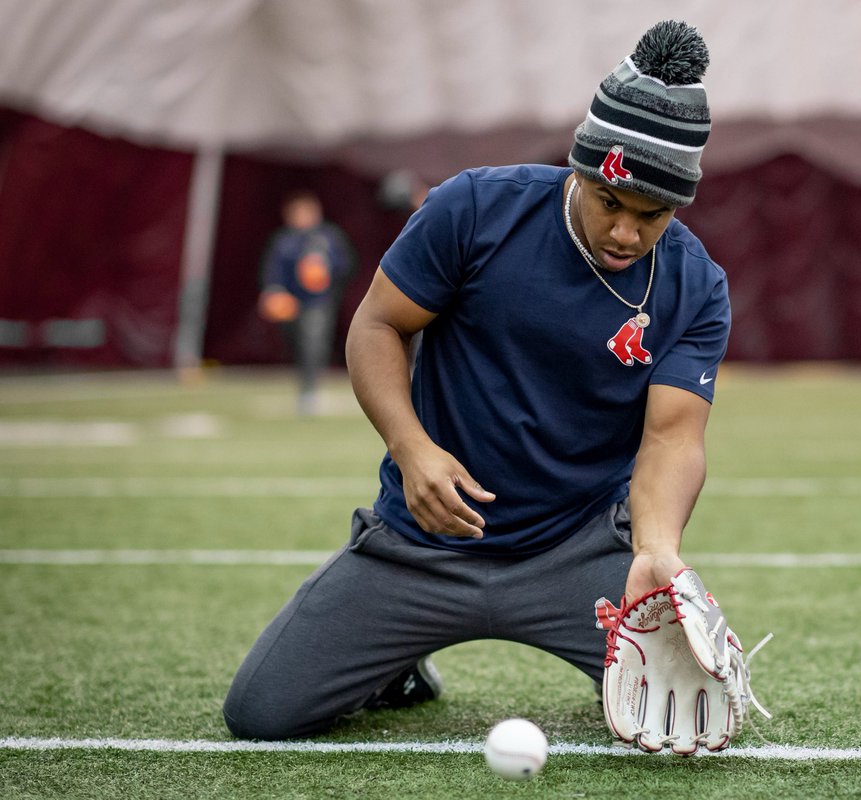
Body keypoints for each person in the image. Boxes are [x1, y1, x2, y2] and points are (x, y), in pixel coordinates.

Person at [224, 20, 731, 742]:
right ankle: (396, 662)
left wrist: (656, 548)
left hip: (575, 550)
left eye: (652, 215)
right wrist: (410, 446)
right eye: (610, 203)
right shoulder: (474, 209)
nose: (626, 232)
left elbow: (672, 438)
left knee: (684, 719)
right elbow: (376, 326)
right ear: (580, 170)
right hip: (422, 540)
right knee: (260, 716)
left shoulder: (696, 286)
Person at [257, 190, 356, 416]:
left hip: (318, 303)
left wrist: (325, 271)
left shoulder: (329, 237)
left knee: (313, 342)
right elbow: (272, 271)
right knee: (294, 343)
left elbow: (346, 265)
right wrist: (273, 291)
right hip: (289, 303)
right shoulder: (283, 240)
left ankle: (309, 390)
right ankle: (304, 383)